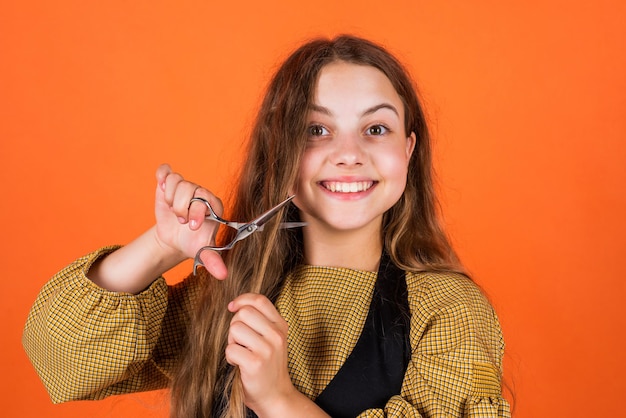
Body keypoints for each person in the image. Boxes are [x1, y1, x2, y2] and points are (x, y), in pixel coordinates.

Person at [23, 35, 511, 417]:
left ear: (407, 150)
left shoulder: (449, 312)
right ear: (280, 151)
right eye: (315, 130)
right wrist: (162, 246)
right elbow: (59, 360)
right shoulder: (228, 293)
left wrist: (280, 401)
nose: (348, 154)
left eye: (376, 129)